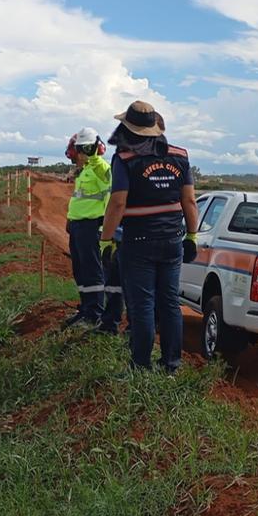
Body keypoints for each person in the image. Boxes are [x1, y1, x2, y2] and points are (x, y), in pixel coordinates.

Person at [99, 101, 199, 371]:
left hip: (139, 242)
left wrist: (106, 240)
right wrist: (192, 236)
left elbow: (118, 203)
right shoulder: (180, 155)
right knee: (169, 304)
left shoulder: (124, 158)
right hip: (172, 241)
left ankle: (141, 366)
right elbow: (189, 201)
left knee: (142, 304)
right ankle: (171, 365)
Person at [63, 127, 111, 327]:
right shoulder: (85, 171)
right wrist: (69, 220)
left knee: (92, 270)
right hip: (78, 225)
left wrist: (106, 229)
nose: (80, 154)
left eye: (83, 149)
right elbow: (79, 199)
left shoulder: (101, 169)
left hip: (91, 226)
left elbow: (111, 197)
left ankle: (94, 314)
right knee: (80, 269)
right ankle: (85, 309)